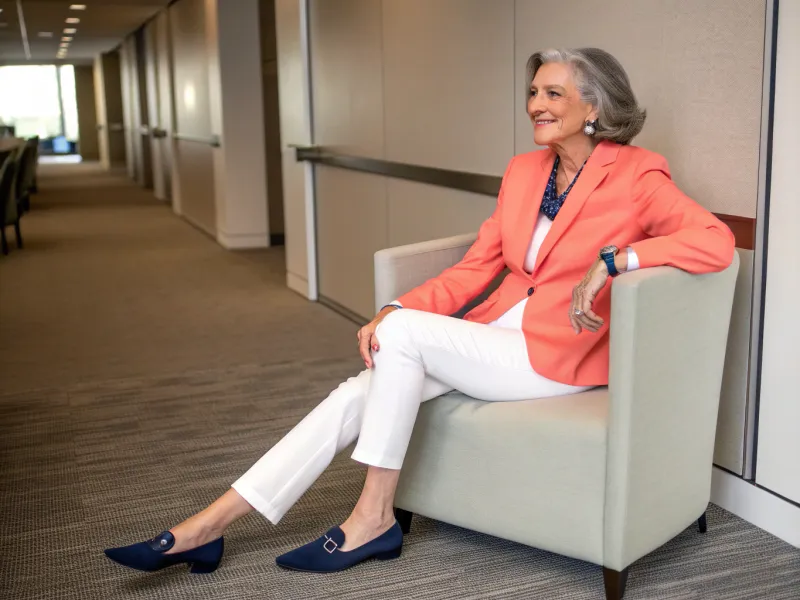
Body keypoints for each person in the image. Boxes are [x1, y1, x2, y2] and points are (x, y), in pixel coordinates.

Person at [104, 47, 735, 575]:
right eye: (532, 92)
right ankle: (209, 526)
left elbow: (715, 241)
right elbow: (476, 267)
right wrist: (396, 307)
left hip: (557, 355)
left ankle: (372, 518)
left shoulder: (636, 175)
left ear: (593, 108)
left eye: (553, 94)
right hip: (496, 336)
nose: (535, 105)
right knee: (357, 392)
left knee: (398, 343)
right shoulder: (524, 172)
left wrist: (615, 260)